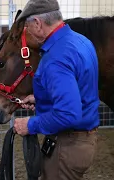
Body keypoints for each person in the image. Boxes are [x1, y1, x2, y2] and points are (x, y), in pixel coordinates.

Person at [13, 0, 99, 179]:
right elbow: (80, 86)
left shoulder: (56, 57)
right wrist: (41, 99)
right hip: (83, 141)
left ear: (37, 23)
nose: (28, 31)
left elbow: (68, 114)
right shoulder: (81, 41)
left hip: (66, 146)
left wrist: (30, 125)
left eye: (28, 26)